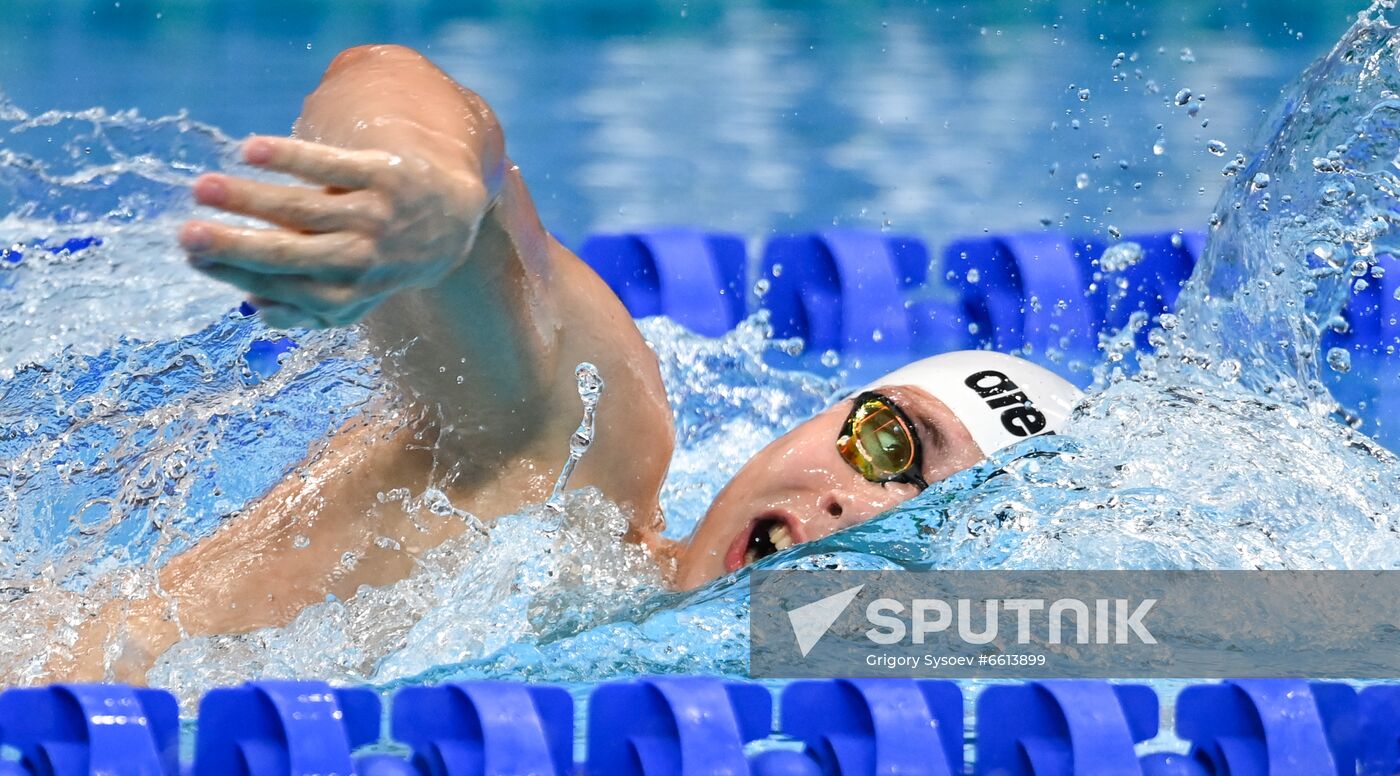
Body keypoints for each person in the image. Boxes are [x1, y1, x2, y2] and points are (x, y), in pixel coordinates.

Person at [53, 45, 1081, 680]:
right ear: (819, 414)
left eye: (934, 527)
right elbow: (388, 75)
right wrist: (428, 182)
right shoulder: (576, 464)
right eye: (885, 439)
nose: (859, 512)